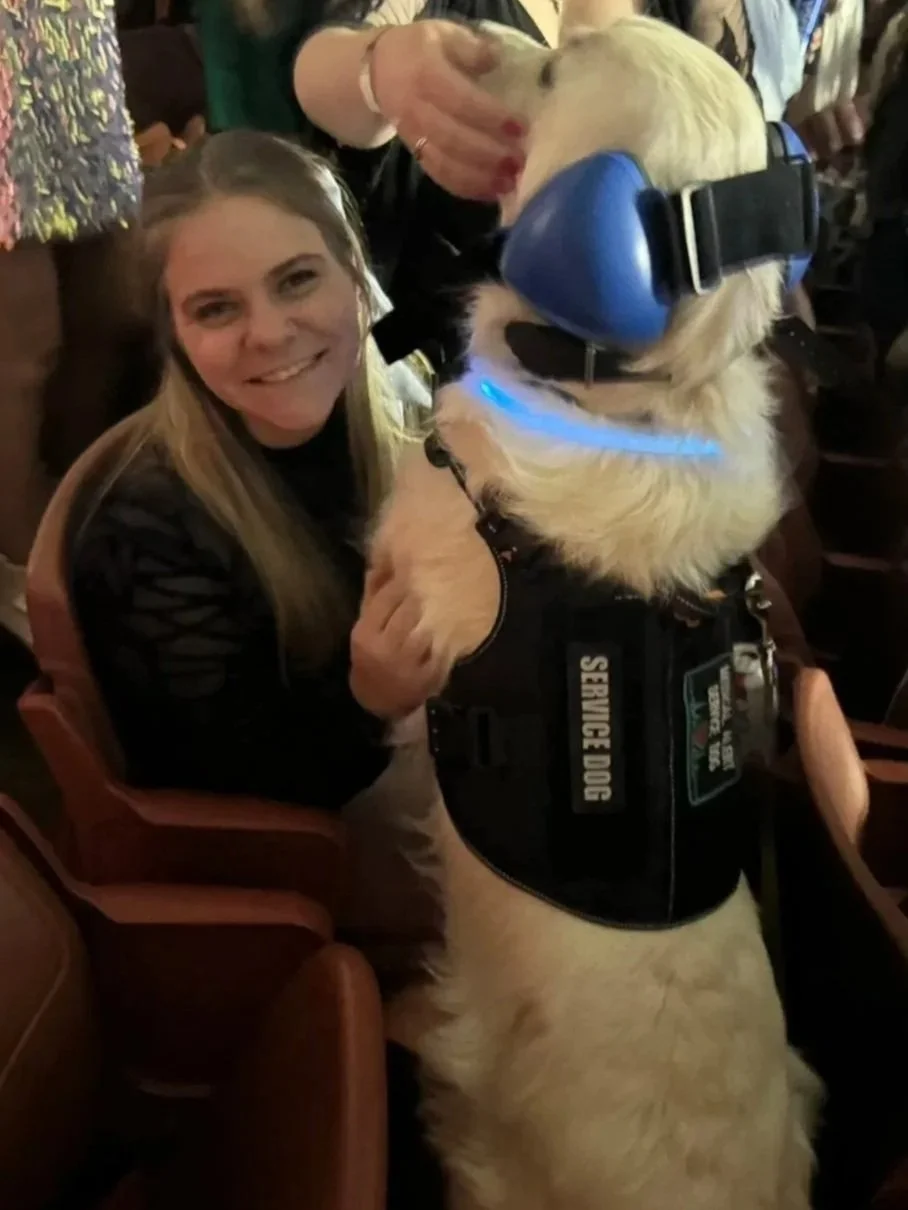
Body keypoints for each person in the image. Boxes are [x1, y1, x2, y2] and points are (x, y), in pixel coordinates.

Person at [70, 131, 438, 812]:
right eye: (216, 308)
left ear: (357, 279)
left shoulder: (405, 393)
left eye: (297, 279)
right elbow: (229, 795)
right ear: (172, 336)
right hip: (316, 853)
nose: (268, 334)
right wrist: (366, 700)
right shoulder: (146, 529)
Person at [0, 0, 142, 644]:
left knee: (111, 310)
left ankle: (83, 516)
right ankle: (24, 558)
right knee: (26, 347)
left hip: (69, 35)